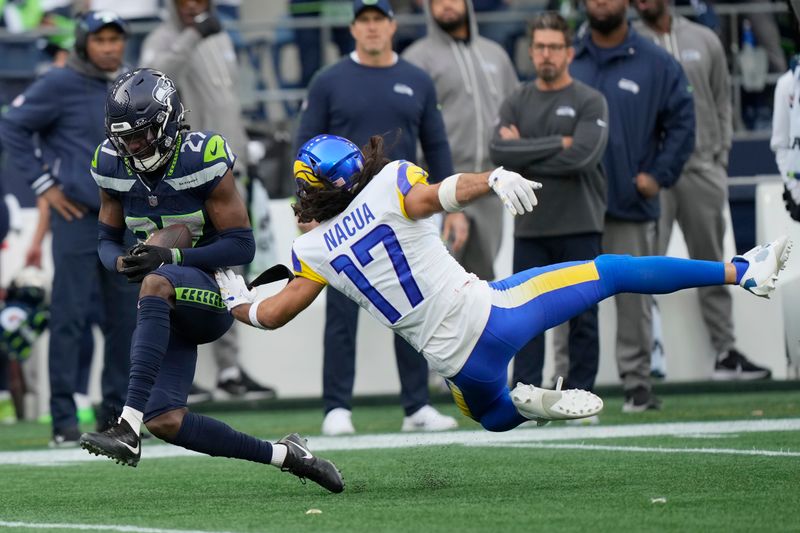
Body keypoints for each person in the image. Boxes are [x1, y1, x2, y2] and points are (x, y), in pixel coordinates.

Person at [214, 133, 790, 433]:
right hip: (496, 314)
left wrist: (237, 299)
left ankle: (530, 406)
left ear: (314, 189)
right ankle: (742, 270)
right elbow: (437, 194)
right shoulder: (390, 182)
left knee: (490, 419)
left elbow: (276, 313)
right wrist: (491, 177)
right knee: (611, 271)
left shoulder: (311, 249)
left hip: (458, 367)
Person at [78, 69, 343, 494]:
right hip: (165, 303)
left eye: (142, 135)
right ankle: (288, 456)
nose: (132, 146)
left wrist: (172, 256)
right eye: (124, 137)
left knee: (158, 282)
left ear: (167, 122)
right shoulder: (110, 163)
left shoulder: (203, 155)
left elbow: (242, 245)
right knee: (166, 419)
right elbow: (105, 240)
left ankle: (126, 425)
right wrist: (121, 263)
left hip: (212, 291)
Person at [295, 0, 458, 435]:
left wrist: (449, 205)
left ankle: (417, 406)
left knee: (414, 304)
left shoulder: (417, 79)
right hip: (341, 213)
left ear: (392, 25)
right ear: (352, 28)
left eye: (378, 20)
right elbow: (304, 145)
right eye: (364, 20)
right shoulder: (329, 81)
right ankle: (337, 409)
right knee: (341, 312)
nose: (371, 28)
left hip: (403, 212)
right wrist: (307, 209)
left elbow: (437, 146)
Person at [0, 10, 139, 446]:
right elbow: (11, 125)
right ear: (83, 43)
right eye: (100, 40)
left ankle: (117, 415)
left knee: (127, 321)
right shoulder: (59, 83)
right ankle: (62, 420)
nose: (110, 47)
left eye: (116, 39)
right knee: (69, 318)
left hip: (129, 219)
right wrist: (46, 186)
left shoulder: (131, 85)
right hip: (78, 218)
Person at [140, 0, 277, 401]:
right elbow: (155, 82)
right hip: (184, 174)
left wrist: (243, 144)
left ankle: (229, 371)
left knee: (229, 271)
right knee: (180, 272)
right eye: (186, 0)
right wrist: (192, 35)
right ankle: (180, 373)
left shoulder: (218, 38)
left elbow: (224, 102)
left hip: (228, 170)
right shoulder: (164, 38)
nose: (195, 6)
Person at [634, 0, 772, 381]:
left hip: (702, 168)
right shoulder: (629, 43)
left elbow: (722, 100)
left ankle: (725, 353)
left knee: (714, 264)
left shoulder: (704, 37)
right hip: (651, 175)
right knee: (642, 267)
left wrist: (719, 156)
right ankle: (645, 360)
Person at [569, 0, 695, 412]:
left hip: (629, 201)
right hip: (573, 204)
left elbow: (682, 121)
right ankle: (563, 383)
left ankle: (637, 383)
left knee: (635, 296)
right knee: (564, 295)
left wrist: (658, 176)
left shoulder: (657, 63)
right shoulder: (568, 57)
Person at [490, 11, 608, 405]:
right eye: (539, 46)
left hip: (580, 223)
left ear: (569, 52)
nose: (546, 54)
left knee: (584, 316)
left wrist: (526, 152)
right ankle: (525, 392)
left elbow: (584, 158)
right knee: (525, 316)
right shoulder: (516, 100)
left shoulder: (590, 100)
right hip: (531, 226)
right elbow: (499, 151)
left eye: (554, 47)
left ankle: (582, 394)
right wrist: (560, 142)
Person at [404, 0, 519, 281]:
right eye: (438, 1)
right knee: (439, 283)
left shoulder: (496, 54)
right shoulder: (417, 59)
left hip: (490, 187)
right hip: (440, 188)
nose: (446, 6)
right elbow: (409, 124)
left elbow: (516, 108)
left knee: (484, 280)